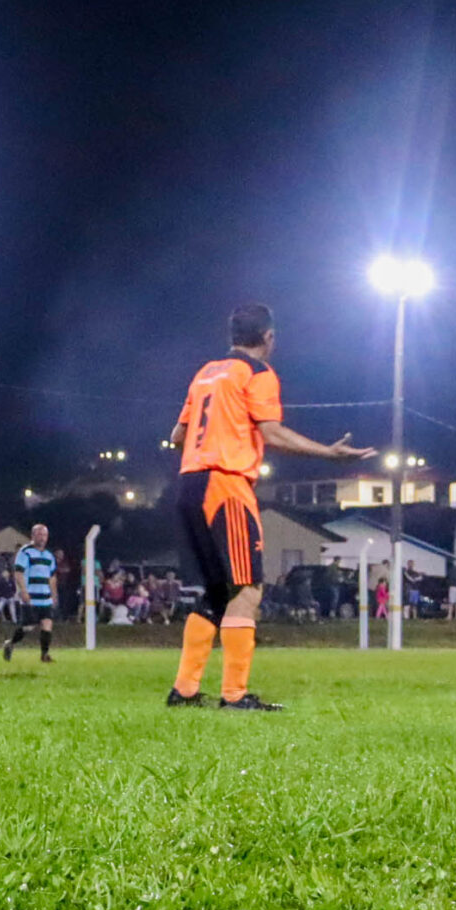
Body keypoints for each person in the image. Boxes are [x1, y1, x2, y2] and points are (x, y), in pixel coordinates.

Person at [166, 302, 374, 711]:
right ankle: (235, 695)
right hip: (225, 483)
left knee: (214, 592)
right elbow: (273, 433)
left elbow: (177, 435)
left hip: (189, 484)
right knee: (247, 588)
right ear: (269, 338)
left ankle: (185, 691)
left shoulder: (206, 372)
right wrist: (329, 454)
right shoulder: (258, 373)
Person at [5, 523, 58, 662]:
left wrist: (54, 595)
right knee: (28, 627)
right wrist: (23, 591)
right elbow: (18, 573)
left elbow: (52, 577)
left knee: (47, 624)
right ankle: (10, 643)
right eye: (39, 534)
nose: (42, 537)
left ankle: (44, 655)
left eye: (45, 535)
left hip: (45, 597)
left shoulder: (49, 555)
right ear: (33, 535)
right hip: (31, 596)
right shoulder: (25, 552)